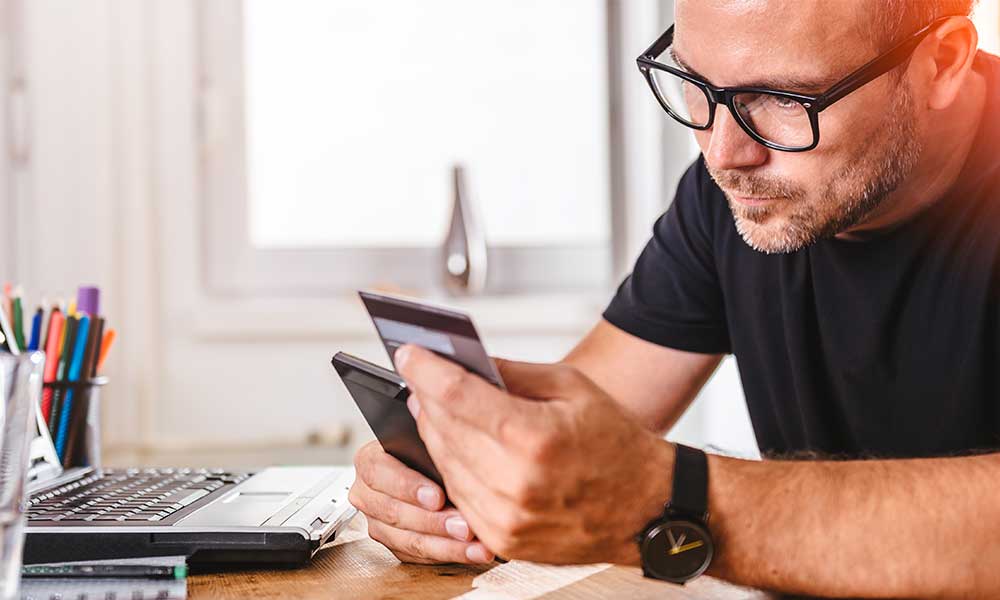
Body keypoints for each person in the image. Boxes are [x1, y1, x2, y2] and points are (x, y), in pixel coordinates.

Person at [349, 0, 1000, 596]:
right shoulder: (737, 193)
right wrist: (452, 477)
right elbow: (586, 427)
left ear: (941, 62)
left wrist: (676, 500)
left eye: (780, 98)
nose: (724, 152)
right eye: (696, 86)